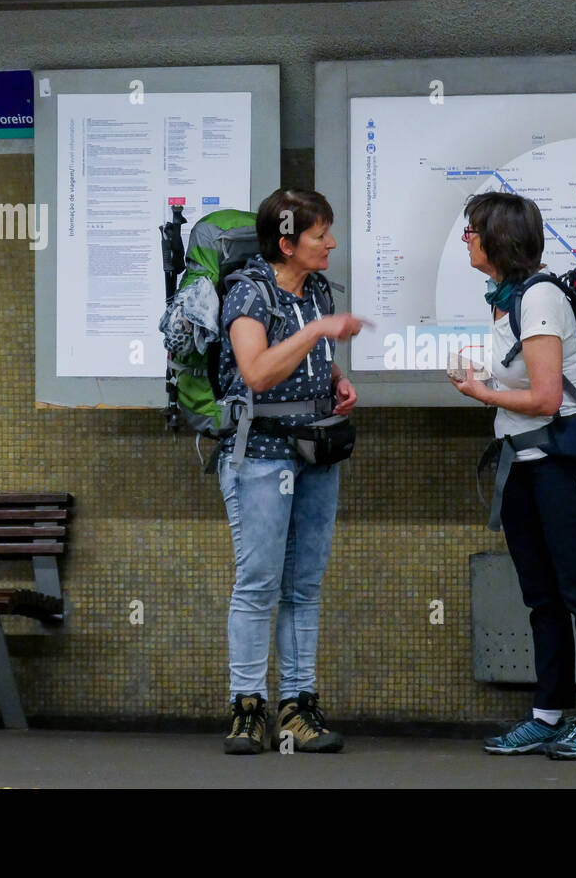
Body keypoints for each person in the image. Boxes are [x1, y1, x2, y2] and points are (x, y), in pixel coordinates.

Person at [449, 192, 576, 759]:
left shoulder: (541, 296)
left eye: (473, 230)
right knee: (541, 596)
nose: (465, 239)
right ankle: (549, 713)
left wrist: (481, 392)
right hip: (521, 461)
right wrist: (489, 387)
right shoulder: (506, 299)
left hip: (563, 463)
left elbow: (547, 398)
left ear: (498, 237)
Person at [219, 187, 366, 755]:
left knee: (303, 586)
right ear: (286, 243)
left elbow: (313, 358)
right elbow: (255, 373)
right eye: (319, 234)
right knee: (259, 585)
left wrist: (336, 380)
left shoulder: (317, 289)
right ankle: (247, 706)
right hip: (259, 455)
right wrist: (316, 335)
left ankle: (298, 708)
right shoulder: (249, 293)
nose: (330, 243)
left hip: (315, 451)